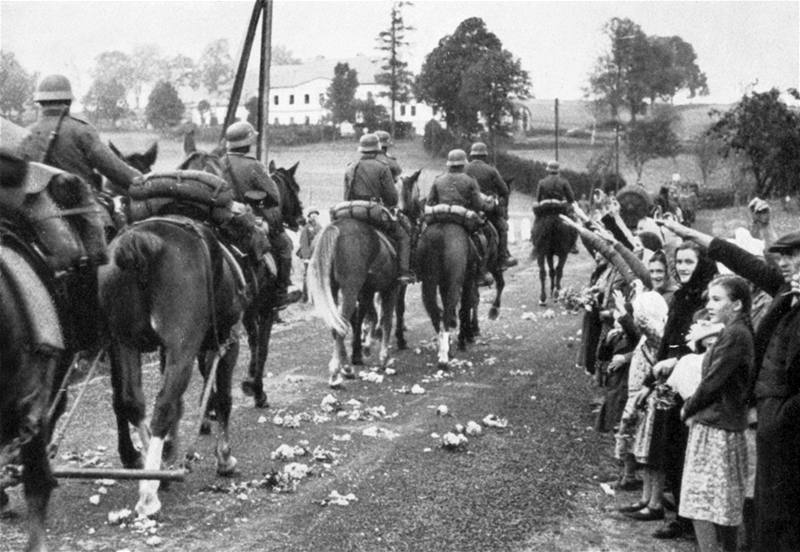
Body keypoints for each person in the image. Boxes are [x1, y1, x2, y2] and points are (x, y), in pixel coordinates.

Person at [660, 219, 800, 552]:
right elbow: (741, 260)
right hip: (766, 415)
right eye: (783, 256)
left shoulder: (750, 321)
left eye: (793, 256)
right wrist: (689, 233)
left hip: (780, 418)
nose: (784, 263)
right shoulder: (785, 290)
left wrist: (780, 411)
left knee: (781, 515)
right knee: (766, 510)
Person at [678, 275, 753, 552]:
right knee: (724, 504)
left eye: (717, 299)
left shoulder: (735, 334)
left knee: (702, 502)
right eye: (709, 298)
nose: (710, 305)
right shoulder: (736, 330)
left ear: (736, 304)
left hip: (717, 426)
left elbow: (713, 381)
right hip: (724, 423)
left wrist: (688, 407)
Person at [221, 121, 301, 308]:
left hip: (221, 220)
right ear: (248, 142)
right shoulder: (254, 166)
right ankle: (281, 293)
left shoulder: (218, 163)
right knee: (285, 245)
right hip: (248, 222)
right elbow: (273, 198)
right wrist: (251, 202)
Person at [18, 74, 141, 193]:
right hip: (82, 207)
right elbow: (112, 168)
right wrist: (141, 179)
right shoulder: (82, 130)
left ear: (40, 102)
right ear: (68, 102)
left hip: (36, 208)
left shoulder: (25, 134)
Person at [344, 133, 414, 284]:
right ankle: (403, 272)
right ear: (377, 150)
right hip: (374, 211)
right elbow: (392, 198)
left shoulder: (350, 167)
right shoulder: (382, 167)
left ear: (361, 150)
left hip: (352, 210)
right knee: (404, 236)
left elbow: (346, 195)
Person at [465, 142, 516, 268]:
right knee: (502, 228)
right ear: (485, 156)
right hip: (487, 210)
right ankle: (503, 258)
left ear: (471, 155)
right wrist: (500, 205)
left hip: (465, 210)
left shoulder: (463, 169)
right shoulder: (491, 170)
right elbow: (504, 191)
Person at [537, 160, 579, 254]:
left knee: (537, 219)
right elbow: (571, 199)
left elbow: (538, 199)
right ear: (558, 171)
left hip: (545, 209)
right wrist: (564, 201)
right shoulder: (563, 182)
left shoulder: (541, 182)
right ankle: (573, 245)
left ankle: (535, 240)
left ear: (548, 170)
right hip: (559, 209)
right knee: (573, 221)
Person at [297, 209, 321, 302]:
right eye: (313, 215)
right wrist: (306, 258)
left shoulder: (319, 227)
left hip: (317, 255)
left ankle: (315, 297)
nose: (314, 217)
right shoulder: (306, 228)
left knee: (317, 276)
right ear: (309, 217)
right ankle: (304, 296)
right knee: (307, 275)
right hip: (309, 256)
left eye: (316, 215)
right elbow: (304, 243)